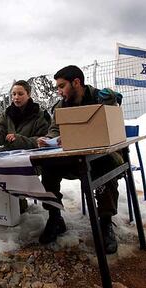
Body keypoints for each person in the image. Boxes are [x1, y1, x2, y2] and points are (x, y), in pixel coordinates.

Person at [36, 65, 123, 254]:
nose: (59, 92)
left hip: (101, 157)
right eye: (57, 88)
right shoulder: (60, 106)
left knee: (104, 167)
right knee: (48, 167)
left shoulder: (99, 97)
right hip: (73, 160)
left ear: (76, 82)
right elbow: (55, 129)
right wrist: (50, 139)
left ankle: (105, 222)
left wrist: (112, 98)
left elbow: (114, 106)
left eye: (62, 86)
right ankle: (55, 216)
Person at [0, 80, 50, 151]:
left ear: (28, 95)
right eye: (14, 94)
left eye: (20, 94)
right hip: (10, 156)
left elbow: (44, 140)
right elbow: (0, 140)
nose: (16, 97)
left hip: (33, 155)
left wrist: (18, 140)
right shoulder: (6, 114)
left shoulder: (40, 115)